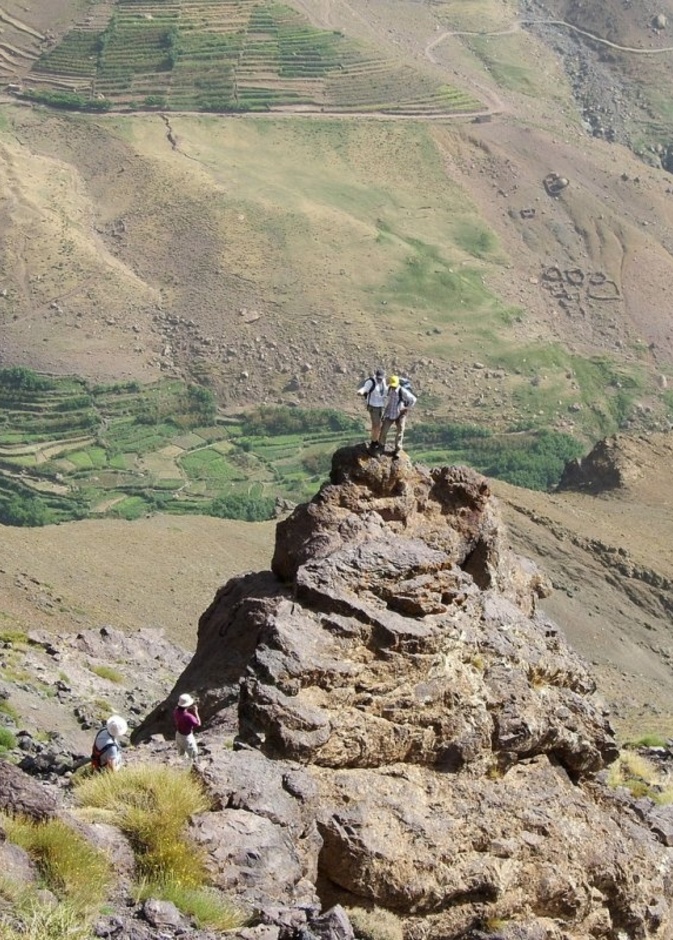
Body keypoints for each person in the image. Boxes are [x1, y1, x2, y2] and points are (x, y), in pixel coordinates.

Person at [379, 375, 417, 459]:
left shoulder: (402, 390)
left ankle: (397, 450)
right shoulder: (389, 389)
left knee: (400, 431)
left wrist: (406, 408)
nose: (393, 386)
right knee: (384, 430)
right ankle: (381, 446)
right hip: (390, 413)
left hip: (400, 414)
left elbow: (413, 399)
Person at [357, 368, 388, 453]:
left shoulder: (383, 381)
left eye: (381, 378)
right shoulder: (371, 382)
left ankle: (375, 439)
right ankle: (373, 442)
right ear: (376, 376)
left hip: (380, 405)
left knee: (379, 425)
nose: (380, 380)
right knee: (376, 425)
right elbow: (365, 389)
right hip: (373, 406)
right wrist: (360, 392)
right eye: (378, 378)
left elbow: (385, 390)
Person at [173, 693, 201, 762]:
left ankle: (182, 766)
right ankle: (194, 768)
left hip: (178, 734)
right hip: (187, 737)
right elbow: (198, 723)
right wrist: (196, 712)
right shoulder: (188, 716)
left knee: (181, 755)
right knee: (194, 755)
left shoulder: (176, 710)